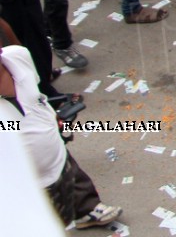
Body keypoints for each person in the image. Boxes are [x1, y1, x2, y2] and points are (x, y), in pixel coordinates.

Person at [0, 42, 123, 229]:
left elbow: (34, 95)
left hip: (55, 150)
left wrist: (48, 119)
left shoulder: (18, 56)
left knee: (72, 178)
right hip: (23, 179)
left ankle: (85, 210)